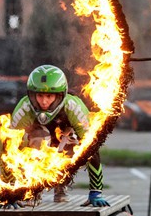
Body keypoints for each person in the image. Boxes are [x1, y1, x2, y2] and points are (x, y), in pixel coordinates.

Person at [10, 65, 109, 207]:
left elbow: (92, 149)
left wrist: (96, 191)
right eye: (40, 96)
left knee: (73, 140)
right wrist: (10, 194)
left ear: (59, 95)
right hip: (37, 144)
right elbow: (10, 152)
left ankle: (62, 183)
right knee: (39, 137)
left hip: (64, 141)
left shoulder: (74, 107)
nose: (44, 102)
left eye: (49, 96)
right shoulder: (23, 109)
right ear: (32, 94)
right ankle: (34, 188)